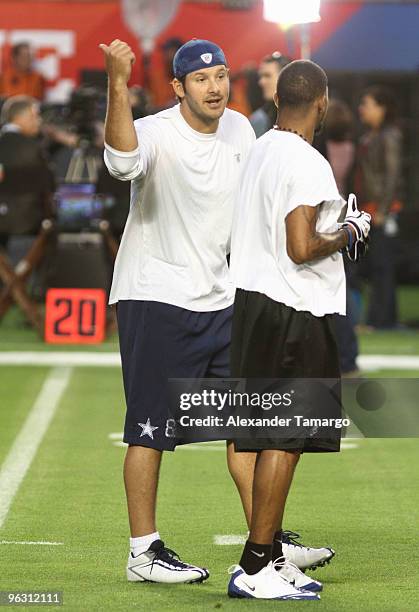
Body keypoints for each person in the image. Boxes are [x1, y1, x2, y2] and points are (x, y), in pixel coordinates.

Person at [100, 37, 336, 587]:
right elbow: (120, 161)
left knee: (247, 423)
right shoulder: (155, 132)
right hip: (156, 294)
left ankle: (267, 544)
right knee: (149, 428)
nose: (215, 87)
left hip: (221, 297)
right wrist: (117, 84)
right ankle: (143, 551)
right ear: (179, 87)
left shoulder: (239, 128)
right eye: (202, 79)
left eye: (222, 75)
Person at [228, 60, 371, 599]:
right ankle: (257, 563)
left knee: (269, 439)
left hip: (255, 305)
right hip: (294, 311)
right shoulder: (307, 160)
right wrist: (350, 231)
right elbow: (302, 246)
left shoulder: (263, 147)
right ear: (322, 102)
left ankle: (268, 558)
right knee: (283, 443)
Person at [316, 99, 359, 375]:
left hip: (326, 218)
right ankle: (347, 351)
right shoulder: (353, 149)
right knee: (344, 285)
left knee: (332, 287)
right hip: (349, 217)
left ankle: (342, 352)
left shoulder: (319, 149)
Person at [357, 86, 403, 329]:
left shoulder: (389, 136)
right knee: (379, 265)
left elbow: (392, 174)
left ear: (382, 108)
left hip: (383, 211)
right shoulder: (370, 136)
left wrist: (383, 210)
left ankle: (379, 320)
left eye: (368, 104)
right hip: (371, 208)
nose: (362, 109)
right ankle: (386, 319)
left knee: (381, 266)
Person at [0, 96, 54, 269]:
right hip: (26, 227)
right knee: (24, 282)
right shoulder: (32, 148)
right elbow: (49, 186)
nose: (38, 122)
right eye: (35, 116)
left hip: (7, 228)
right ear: (20, 117)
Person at [249, 52, 290, 138]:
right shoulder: (259, 120)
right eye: (260, 76)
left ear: (285, 78)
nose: (261, 82)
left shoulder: (306, 114)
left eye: (267, 76)